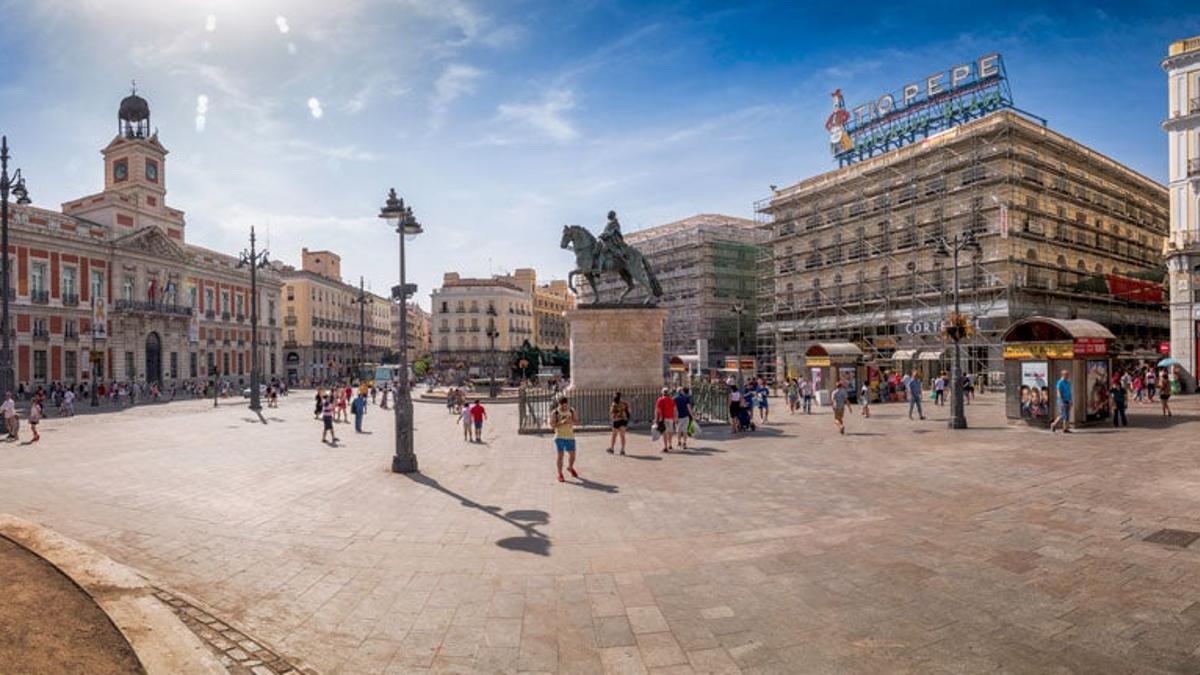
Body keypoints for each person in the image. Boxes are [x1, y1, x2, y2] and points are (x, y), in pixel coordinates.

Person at [550, 396, 580, 482]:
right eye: (563, 405)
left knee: (573, 456)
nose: (565, 407)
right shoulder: (555, 412)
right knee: (560, 456)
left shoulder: (571, 410)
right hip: (559, 436)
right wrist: (561, 422)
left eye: (566, 405)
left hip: (570, 436)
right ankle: (560, 474)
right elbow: (552, 425)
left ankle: (570, 467)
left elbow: (577, 421)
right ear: (559, 404)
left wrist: (572, 422)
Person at [654, 387, 677, 452]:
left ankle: (665, 447)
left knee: (665, 433)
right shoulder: (672, 400)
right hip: (671, 418)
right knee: (670, 432)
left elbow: (657, 409)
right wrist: (675, 417)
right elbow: (675, 409)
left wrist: (656, 419)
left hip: (664, 418)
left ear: (662, 393)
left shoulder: (660, 400)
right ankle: (670, 444)